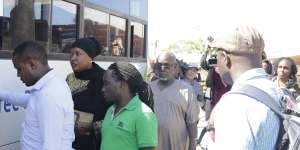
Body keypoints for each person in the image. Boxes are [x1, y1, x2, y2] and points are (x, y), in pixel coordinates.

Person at [207, 26, 283, 149]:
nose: (217, 65)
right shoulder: (277, 90)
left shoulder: (234, 105)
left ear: (225, 58)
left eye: (217, 58)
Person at [0, 41, 74, 150]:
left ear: (32, 64)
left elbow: (52, 147)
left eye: (19, 69)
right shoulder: (48, 86)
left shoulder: (49, 94)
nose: (18, 75)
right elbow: (27, 100)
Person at [66, 37, 111, 150]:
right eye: (70, 54)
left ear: (89, 56)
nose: (73, 58)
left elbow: (115, 113)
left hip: (93, 143)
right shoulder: (69, 78)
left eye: (78, 54)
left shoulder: (104, 79)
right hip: (68, 140)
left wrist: (91, 127)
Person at [101, 62, 157, 150]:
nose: (103, 89)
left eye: (106, 83)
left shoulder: (144, 114)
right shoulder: (110, 110)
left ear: (122, 84)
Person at [150, 52, 199, 150]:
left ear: (175, 67)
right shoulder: (149, 87)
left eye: (167, 66)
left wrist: (192, 145)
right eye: (160, 65)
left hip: (177, 145)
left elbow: (192, 122)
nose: (163, 69)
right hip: (152, 145)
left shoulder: (187, 90)